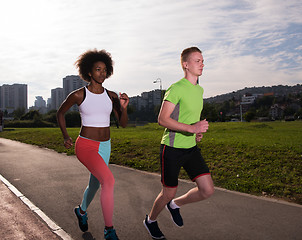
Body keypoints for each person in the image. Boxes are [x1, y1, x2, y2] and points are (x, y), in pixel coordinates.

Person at [57, 49, 129, 240]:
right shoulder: (78, 95)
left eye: (105, 70)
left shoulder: (112, 96)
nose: (102, 73)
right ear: (89, 72)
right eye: (98, 70)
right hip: (86, 146)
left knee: (96, 184)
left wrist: (122, 108)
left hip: (105, 145)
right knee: (109, 181)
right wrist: (65, 136)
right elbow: (60, 113)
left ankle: (81, 211)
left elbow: (122, 124)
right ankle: (109, 230)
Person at [143, 47, 214, 239]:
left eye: (202, 61)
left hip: (190, 148)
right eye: (198, 61)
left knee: (207, 190)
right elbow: (163, 119)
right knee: (168, 193)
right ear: (185, 64)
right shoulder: (176, 88)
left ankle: (176, 205)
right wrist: (192, 128)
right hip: (172, 149)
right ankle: (150, 221)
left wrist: (197, 133)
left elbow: (191, 119)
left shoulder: (199, 90)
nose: (202, 64)